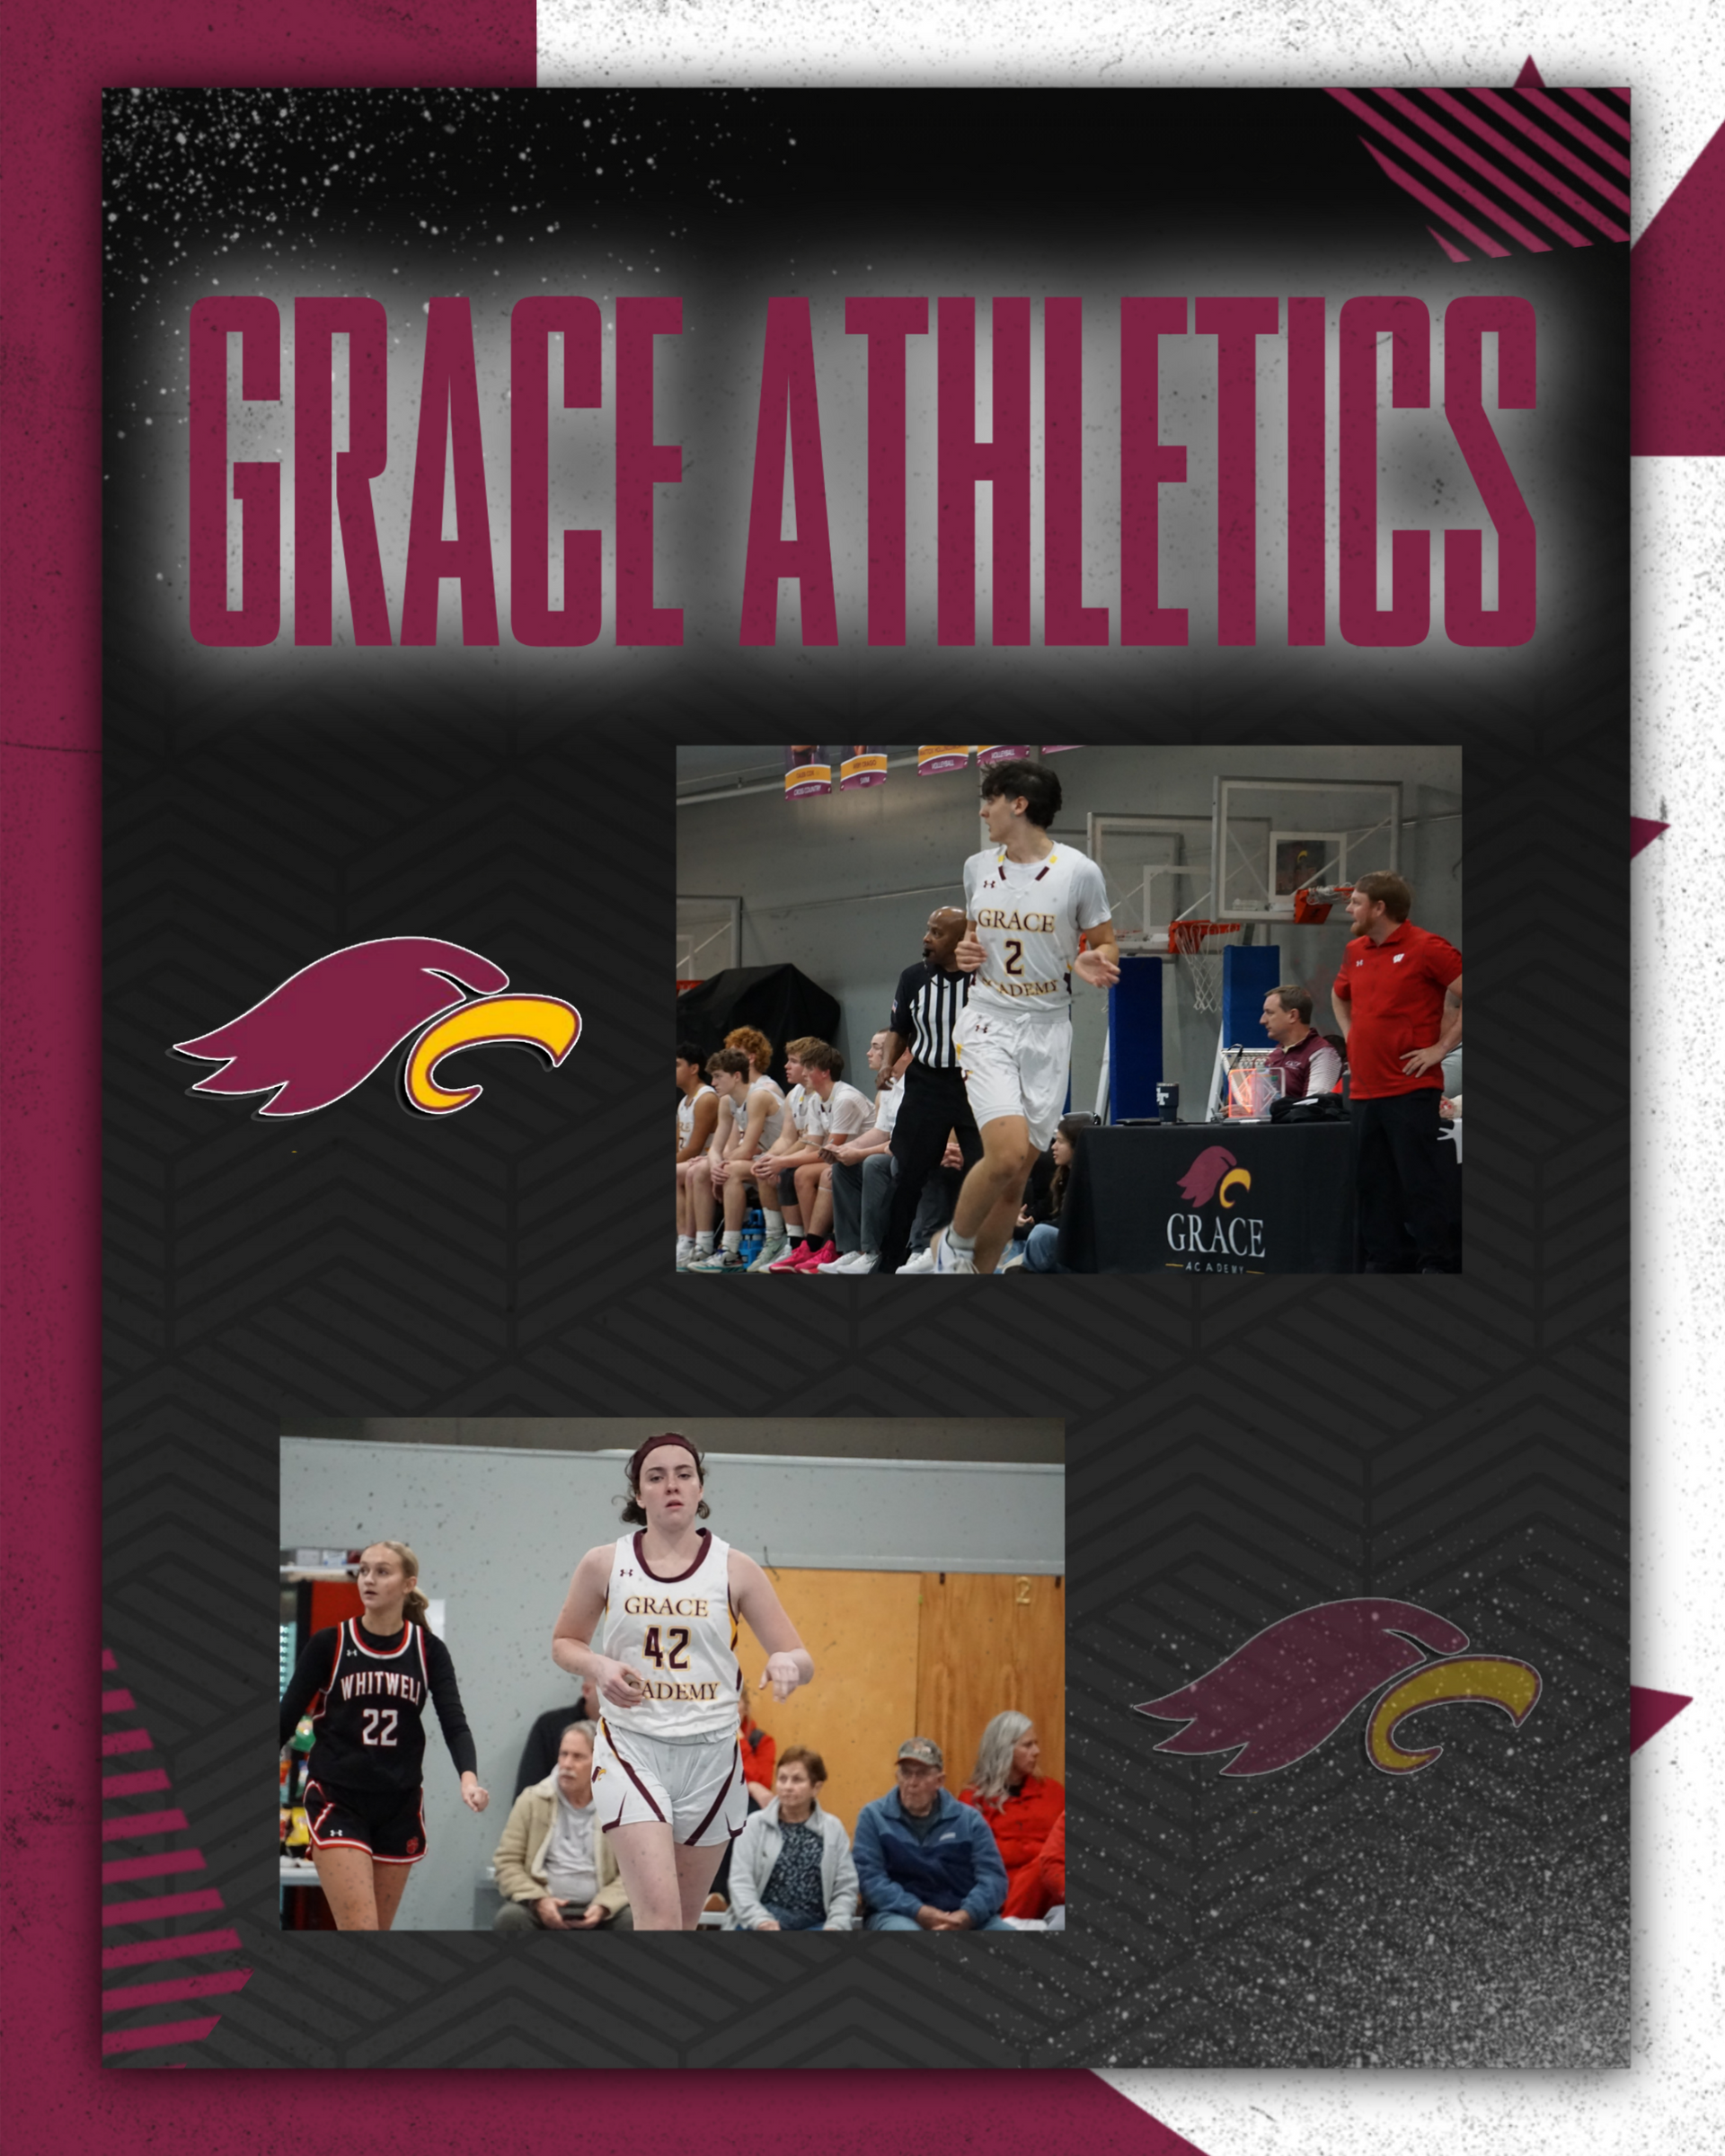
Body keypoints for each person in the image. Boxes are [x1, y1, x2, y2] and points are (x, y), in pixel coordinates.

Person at [549, 1434, 814, 1930]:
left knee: (685, 1921)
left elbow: (800, 1655)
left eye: (684, 1474)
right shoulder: (604, 1563)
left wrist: (788, 1665)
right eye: (656, 1476)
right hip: (633, 1746)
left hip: (712, 1756)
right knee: (660, 1916)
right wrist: (600, 1666)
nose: (671, 1484)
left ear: (698, 1488)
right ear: (638, 1494)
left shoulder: (735, 1568)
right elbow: (565, 1642)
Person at [935, 760, 1119, 1275]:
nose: (982, 810)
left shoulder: (1078, 872)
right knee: (1008, 1152)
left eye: (990, 800)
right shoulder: (978, 867)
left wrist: (1093, 961)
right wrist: (966, 953)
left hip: (1048, 1029)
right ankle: (951, 1250)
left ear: (1019, 804)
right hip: (989, 1021)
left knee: (1017, 1177)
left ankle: (978, 1273)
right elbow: (973, 940)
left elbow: (1105, 942)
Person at [278, 1539, 489, 1931]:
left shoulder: (428, 1650)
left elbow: (453, 1721)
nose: (368, 1580)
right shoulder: (331, 1643)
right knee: (361, 1927)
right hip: (337, 1796)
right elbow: (285, 1718)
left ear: (408, 1584)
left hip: (398, 1803)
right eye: (364, 1571)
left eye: (382, 1572)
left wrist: (469, 1778)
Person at [1329, 871, 1464, 1273]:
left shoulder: (1428, 948)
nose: (1349, 909)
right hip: (1365, 1091)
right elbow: (1339, 997)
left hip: (1410, 1088)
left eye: (1355, 901)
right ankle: (1383, 1262)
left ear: (1379, 907)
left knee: (1420, 1184)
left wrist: (1441, 1048)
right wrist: (1352, 1036)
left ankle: (1437, 1264)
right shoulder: (1355, 949)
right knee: (1372, 1185)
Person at [878, 908, 984, 1275]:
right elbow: (899, 1028)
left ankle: (984, 1259)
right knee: (906, 1176)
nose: (926, 938)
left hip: (976, 1084)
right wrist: (887, 1064)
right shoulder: (913, 978)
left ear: (959, 942)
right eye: (928, 930)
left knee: (986, 1171)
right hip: (926, 1084)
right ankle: (888, 1259)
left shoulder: (984, 979)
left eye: (936, 933)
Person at [851, 1736, 1013, 1931]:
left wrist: (966, 1916)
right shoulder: (873, 1817)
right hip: (898, 1914)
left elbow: (993, 1880)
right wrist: (918, 1911)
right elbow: (870, 1881)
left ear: (940, 1781)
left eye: (921, 1774)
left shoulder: (970, 1821)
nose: (912, 1782)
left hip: (964, 1915)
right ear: (897, 1776)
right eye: (905, 1773)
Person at [491, 1720, 634, 1932]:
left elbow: (634, 1873)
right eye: (563, 1754)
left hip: (602, 1908)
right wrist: (538, 1901)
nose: (566, 1764)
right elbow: (507, 1863)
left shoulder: (621, 1806)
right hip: (542, 1903)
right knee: (510, 1918)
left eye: (577, 1757)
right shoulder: (532, 1800)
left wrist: (604, 1906)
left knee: (634, 1920)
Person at [762, 1042, 872, 1271]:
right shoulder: (815, 1099)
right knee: (798, 1173)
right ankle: (811, 1246)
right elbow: (812, 1148)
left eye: (808, 1068)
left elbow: (829, 1152)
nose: (803, 1073)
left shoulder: (844, 1098)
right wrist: (776, 1161)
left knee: (812, 1174)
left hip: (862, 1157)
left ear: (825, 1072)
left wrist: (781, 1160)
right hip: (843, 1159)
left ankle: (822, 1245)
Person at [728, 1745, 861, 1931]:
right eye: (782, 1779)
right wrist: (761, 1921)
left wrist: (835, 1926)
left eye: (797, 1780)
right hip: (761, 1922)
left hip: (817, 1924)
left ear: (816, 1787)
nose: (787, 1787)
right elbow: (740, 1883)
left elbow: (845, 1889)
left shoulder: (833, 1829)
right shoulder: (754, 1825)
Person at [687, 1040, 787, 1273]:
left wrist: (720, 1166)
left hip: (783, 1157)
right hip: (762, 1160)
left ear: (736, 1076)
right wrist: (714, 1166)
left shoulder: (759, 1096)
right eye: (712, 1077)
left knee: (729, 1170)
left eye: (718, 1077)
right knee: (703, 1169)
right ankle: (703, 1246)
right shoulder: (726, 1101)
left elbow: (748, 1148)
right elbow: (717, 1148)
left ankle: (738, 1248)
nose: (713, 1083)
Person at [958, 1711, 1064, 1916]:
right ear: (1004, 1750)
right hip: (1002, 1895)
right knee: (1041, 1866)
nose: (1037, 1751)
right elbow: (977, 1856)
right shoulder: (973, 1800)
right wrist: (1039, 1851)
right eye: (1027, 1745)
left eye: (1036, 1743)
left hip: (1054, 1891)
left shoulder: (1054, 1792)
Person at [1013, 1116, 1086, 1273]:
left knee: (1041, 1235)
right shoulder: (1062, 1177)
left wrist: (1032, 1227)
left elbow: (1069, 1225)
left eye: (1060, 1141)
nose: (1054, 1147)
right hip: (1059, 1247)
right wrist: (1023, 1218)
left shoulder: (1089, 1181)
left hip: (1078, 1255)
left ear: (1076, 1146)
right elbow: (1044, 1210)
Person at [674, 1044, 720, 1269]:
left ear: (694, 1068)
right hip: (689, 1164)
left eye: (676, 1065)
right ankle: (683, 1239)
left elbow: (694, 1147)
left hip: (705, 1161)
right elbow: (678, 1146)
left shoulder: (706, 1098)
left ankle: (687, 1240)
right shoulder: (684, 1102)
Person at [1258, 985, 1343, 1100]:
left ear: (1293, 1016)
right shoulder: (1275, 1055)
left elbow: (1313, 1107)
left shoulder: (1323, 1053)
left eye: (1270, 1013)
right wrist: (1246, 1111)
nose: (1262, 1020)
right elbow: (1261, 1105)